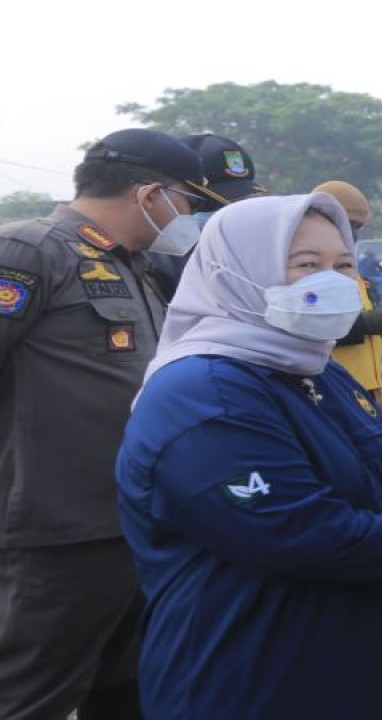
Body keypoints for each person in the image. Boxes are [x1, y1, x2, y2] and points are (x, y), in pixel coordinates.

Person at [114, 192, 382, 720]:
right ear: (236, 272)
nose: (332, 280)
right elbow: (296, 530)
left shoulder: (311, 366)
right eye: (306, 265)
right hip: (248, 676)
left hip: (348, 661)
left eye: (343, 264)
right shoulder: (203, 392)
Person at [0, 128, 204, 720]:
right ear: (150, 193)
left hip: (132, 524)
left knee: (129, 691)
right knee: (30, 696)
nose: (187, 216)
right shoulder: (28, 252)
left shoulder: (136, 268)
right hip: (57, 537)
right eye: (187, 201)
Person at [314, 180, 382, 404]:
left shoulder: (346, 264)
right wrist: (368, 323)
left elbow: (354, 315)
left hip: (365, 389)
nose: (353, 233)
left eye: (358, 227)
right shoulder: (304, 267)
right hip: (332, 391)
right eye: (349, 224)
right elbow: (309, 326)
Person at [147, 133, 267, 301]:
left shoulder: (254, 248)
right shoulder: (152, 255)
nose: (229, 211)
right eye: (210, 203)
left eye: (243, 203)